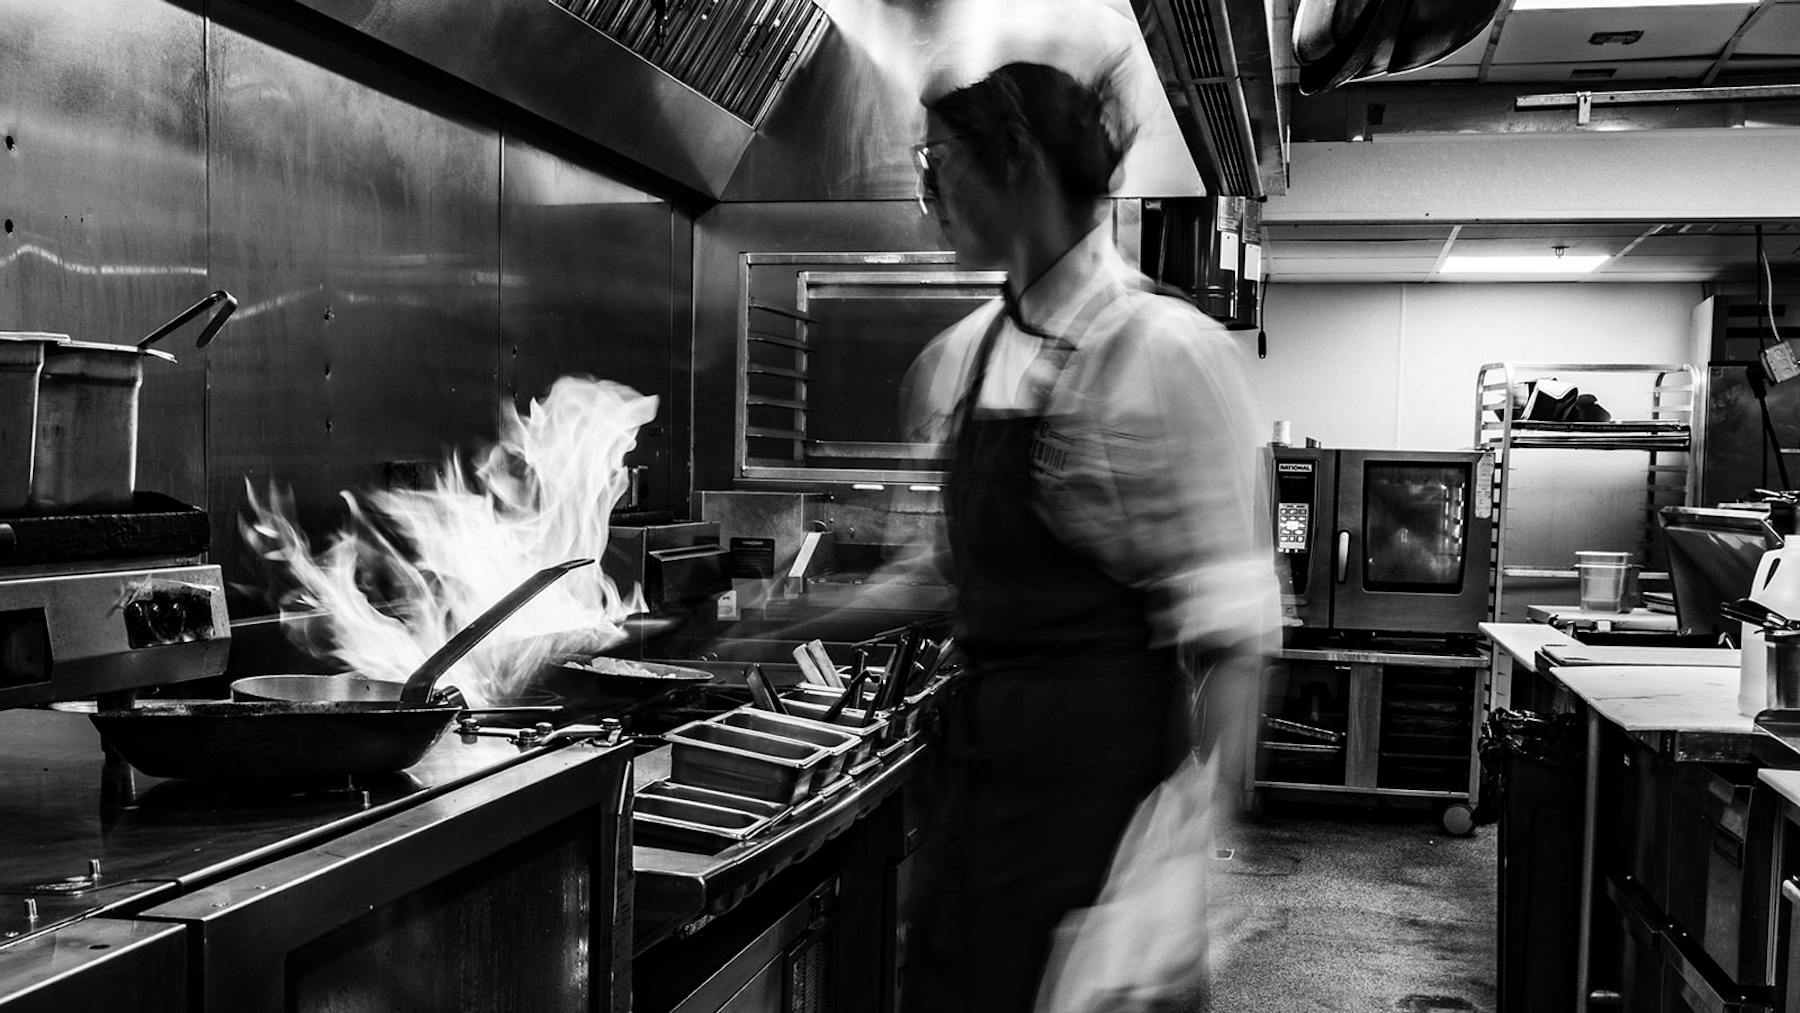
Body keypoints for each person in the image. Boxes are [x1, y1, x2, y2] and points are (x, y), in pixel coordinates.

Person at [896, 58, 1280, 1013]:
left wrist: (1180, 857)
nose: (928, 190)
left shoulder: (1164, 355)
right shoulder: (960, 358)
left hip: (1100, 826)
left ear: (1016, 163)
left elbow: (1235, 644)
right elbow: (952, 573)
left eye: (937, 160)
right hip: (977, 800)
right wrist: (795, 614)